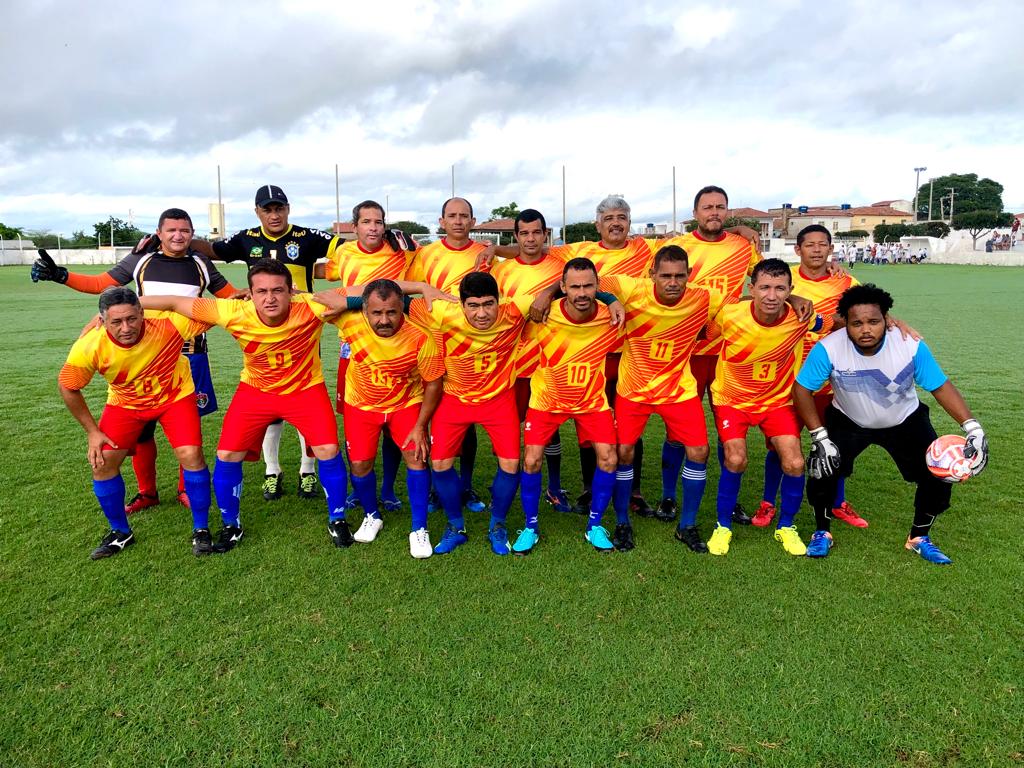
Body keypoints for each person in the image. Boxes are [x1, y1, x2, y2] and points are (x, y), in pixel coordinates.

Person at [32, 208, 237, 514]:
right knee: (143, 429)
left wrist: (255, 296)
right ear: (160, 232)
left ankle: (185, 489)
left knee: (187, 430)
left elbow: (229, 296)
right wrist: (62, 275)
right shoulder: (142, 258)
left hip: (188, 351)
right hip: (138, 350)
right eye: (171, 230)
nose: (178, 236)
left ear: (192, 233)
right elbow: (103, 284)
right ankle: (147, 492)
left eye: (185, 230)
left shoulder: (201, 264)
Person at [139, 258, 351, 552]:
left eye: (278, 290)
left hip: (305, 390)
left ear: (291, 291)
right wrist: (118, 307)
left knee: (329, 450)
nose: (270, 298)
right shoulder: (233, 310)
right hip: (256, 391)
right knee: (227, 453)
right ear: (249, 294)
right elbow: (175, 302)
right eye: (261, 291)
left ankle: (337, 518)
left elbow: (374, 291)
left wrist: (417, 289)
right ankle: (231, 524)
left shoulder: (312, 305)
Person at [795, 284, 988, 563]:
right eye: (856, 323)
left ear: (887, 320)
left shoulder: (910, 345)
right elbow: (801, 390)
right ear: (845, 325)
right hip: (849, 420)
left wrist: (972, 427)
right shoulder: (829, 348)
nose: (865, 329)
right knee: (822, 470)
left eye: (873, 321)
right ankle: (822, 532)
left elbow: (940, 386)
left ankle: (919, 537)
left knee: (938, 473)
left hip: (904, 420)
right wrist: (819, 436)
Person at [195, 185, 336, 503]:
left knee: (304, 404)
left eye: (279, 208)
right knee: (270, 407)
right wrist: (179, 240)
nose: (274, 215)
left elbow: (347, 250)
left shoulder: (308, 236)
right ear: (257, 212)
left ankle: (307, 469)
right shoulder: (245, 238)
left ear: (288, 209)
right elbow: (211, 250)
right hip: (263, 327)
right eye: (267, 209)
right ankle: (272, 471)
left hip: (302, 325)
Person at [57, 287, 216, 559]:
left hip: (175, 397)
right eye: (116, 322)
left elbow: (213, 312)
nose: (126, 327)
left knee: (191, 454)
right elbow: (68, 386)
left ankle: (201, 529)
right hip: (126, 404)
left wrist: (241, 297)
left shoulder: (168, 324)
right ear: (102, 320)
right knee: (103, 462)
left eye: (132, 318)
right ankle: (120, 532)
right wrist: (93, 432)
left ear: (142, 313)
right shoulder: (90, 345)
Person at [600, 245, 721, 552]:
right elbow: (596, 281)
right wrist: (613, 301)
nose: (672, 282)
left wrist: (795, 298)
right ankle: (623, 522)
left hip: (677, 389)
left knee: (699, 451)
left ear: (689, 275)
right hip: (633, 389)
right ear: (652, 274)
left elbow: (745, 305)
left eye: (680, 276)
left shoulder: (704, 298)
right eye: (665, 275)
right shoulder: (633, 288)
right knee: (623, 451)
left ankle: (687, 525)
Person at [406, 272, 533, 556]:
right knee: (439, 465)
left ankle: (497, 525)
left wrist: (609, 300)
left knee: (511, 464)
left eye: (489, 304)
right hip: (454, 399)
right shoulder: (441, 311)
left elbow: (565, 289)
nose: (482, 313)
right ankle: (456, 526)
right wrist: (420, 287)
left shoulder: (514, 311)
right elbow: (387, 295)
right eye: (473, 306)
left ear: (500, 302)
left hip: (498, 400)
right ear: (461, 305)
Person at [706, 258, 824, 557]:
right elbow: (703, 332)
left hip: (777, 402)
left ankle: (786, 527)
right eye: (765, 288)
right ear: (752, 288)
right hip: (732, 401)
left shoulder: (802, 317)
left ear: (790, 290)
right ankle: (722, 527)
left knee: (795, 464)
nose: (772, 296)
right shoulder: (730, 315)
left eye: (781, 288)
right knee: (735, 459)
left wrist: (890, 320)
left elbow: (837, 321)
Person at [325, 279, 444, 558]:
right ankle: (372, 514)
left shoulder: (420, 337)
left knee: (417, 457)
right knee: (360, 463)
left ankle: (419, 529)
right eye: (376, 313)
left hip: (405, 405)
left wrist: (420, 425)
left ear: (402, 309)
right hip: (361, 406)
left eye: (392, 312)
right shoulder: (350, 323)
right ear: (364, 310)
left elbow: (434, 384)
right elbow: (322, 298)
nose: (384, 320)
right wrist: (349, 301)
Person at [757, 225, 866, 529]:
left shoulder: (846, 281)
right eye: (810, 245)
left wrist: (837, 321)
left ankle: (838, 501)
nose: (817, 250)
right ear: (798, 250)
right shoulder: (784, 279)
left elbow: (863, 313)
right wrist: (791, 298)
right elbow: (759, 296)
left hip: (835, 379)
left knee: (836, 442)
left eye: (823, 245)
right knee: (780, 444)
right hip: (789, 379)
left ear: (831, 249)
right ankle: (767, 503)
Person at [517, 258, 624, 554]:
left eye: (588, 285)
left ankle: (595, 525)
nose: (581, 292)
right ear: (562, 287)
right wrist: (544, 295)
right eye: (574, 286)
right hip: (547, 400)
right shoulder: (544, 312)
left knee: (609, 458)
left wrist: (612, 300)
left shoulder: (609, 316)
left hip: (591, 402)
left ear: (597, 287)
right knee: (531, 460)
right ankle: (530, 525)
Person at [316, 199, 415, 513]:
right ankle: (361, 488)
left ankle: (387, 488)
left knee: (394, 418)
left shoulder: (400, 252)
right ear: (354, 226)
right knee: (358, 420)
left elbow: (409, 291)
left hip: (393, 344)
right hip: (354, 346)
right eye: (367, 222)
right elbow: (325, 273)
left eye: (378, 221)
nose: (373, 227)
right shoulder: (343, 253)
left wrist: (352, 301)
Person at [404, 197, 494, 513]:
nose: (458, 221)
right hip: (428, 345)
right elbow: (402, 289)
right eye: (452, 216)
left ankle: (465, 487)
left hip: (466, 349)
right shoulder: (425, 255)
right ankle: (432, 486)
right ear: (442, 221)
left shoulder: (484, 256)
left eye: (464, 216)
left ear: (472, 221)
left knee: (465, 420)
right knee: (427, 417)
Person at [490, 208, 574, 513]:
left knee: (548, 430)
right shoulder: (500, 272)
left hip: (547, 364)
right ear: (516, 236)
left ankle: (553, 487)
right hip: (509, 365)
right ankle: (508, 485)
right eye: (524, 233)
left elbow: (576, 287)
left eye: (536, 232)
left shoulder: (559, 268)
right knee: (510, 430)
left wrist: (549, 291)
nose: (530, 238)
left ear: (545, 234)